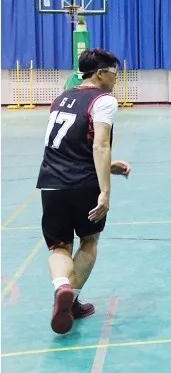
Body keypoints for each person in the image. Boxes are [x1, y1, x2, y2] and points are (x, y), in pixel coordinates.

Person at [36, 48, 131, 334]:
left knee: (59, 246)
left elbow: (67, 146)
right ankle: (72, 300)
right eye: (114, 73)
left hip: (51, 182)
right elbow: (100, 145)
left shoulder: (61, 98)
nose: (116, 79)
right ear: (100, 73)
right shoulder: (104, 100)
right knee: (89, 242)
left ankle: (61, 287)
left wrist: (109, 166)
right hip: (84, 184)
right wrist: (105, 192)